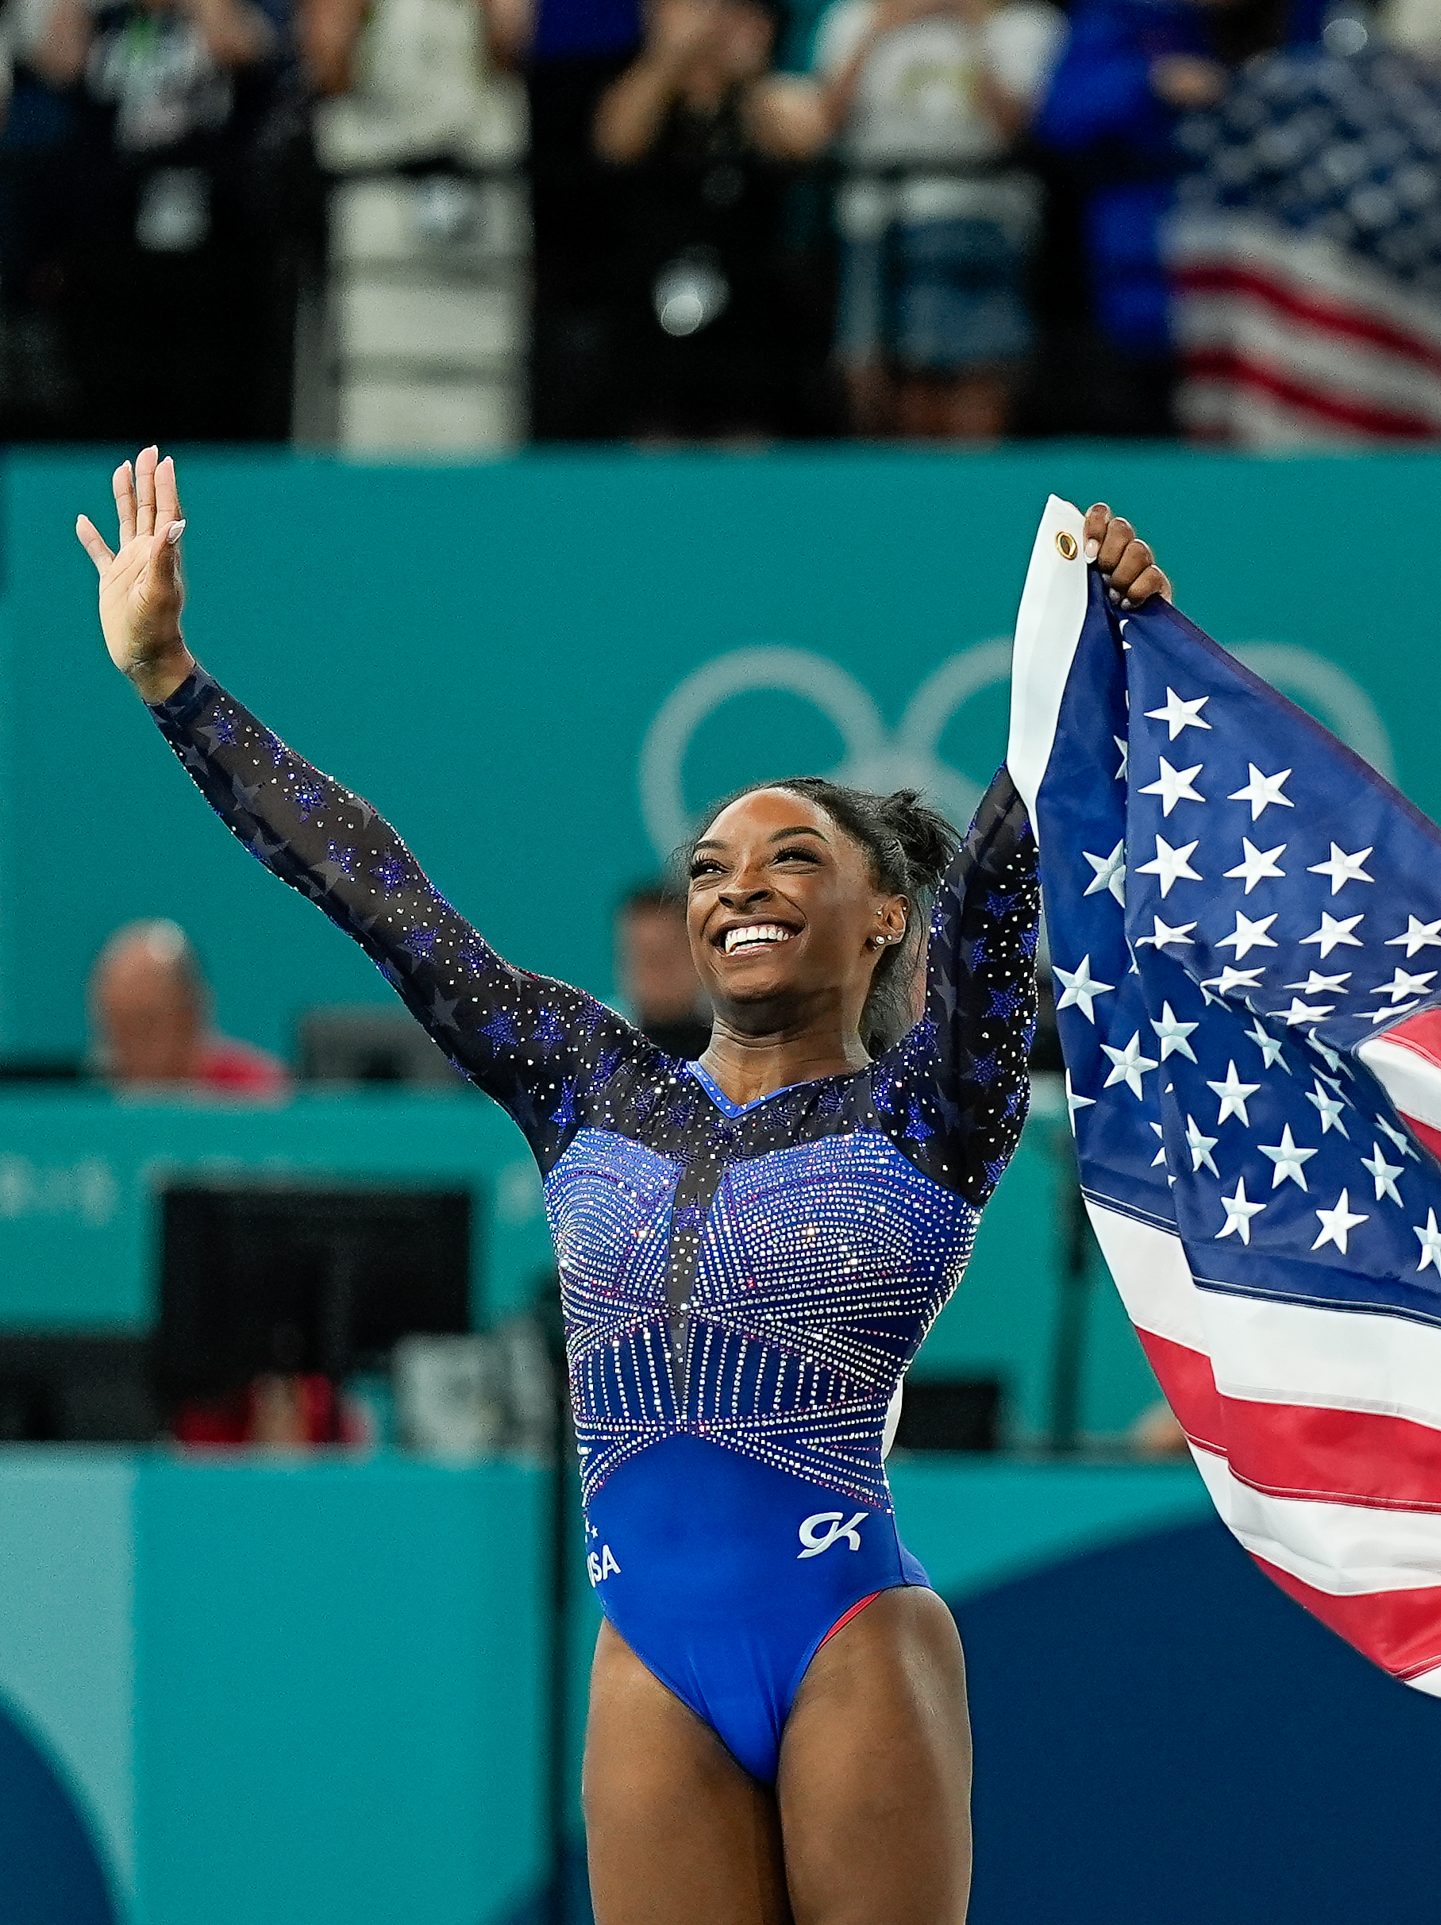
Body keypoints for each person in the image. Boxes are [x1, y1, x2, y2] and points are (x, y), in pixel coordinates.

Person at [76, 447, 1169, 1922]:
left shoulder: (932, 1107)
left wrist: (1088, 649)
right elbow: (374, 890)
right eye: (710, 867)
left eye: (793, 856)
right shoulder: (587, 1082)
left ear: (883, 917)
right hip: (646, 1651)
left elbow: (998, 887)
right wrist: (172, 686)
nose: (738, 885)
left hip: (848, 1622)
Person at [1032, 0, 1325, 436]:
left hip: (1284, 300)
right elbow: (1059, 116)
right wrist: (1149, 84)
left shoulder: (1311, 19)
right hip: (1149, 301)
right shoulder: (1120, 19)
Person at [788, 0, 1063, 440]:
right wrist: (879, 30)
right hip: (873, 223)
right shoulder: (854, 16)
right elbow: (822, 125)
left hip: (981, 220)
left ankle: (975, 492)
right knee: (875, 376)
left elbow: (1014, 126)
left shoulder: (1022, 23)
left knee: (980, 367)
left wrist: (971, 29)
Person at [594, 0, 831, 440]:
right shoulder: (646, 98)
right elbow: (615, 141)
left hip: (749, 341)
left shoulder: (766, 100)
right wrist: (675, 55)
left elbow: (807, 138)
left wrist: (745, 78)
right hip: (654, 344)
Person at [89, 917, 290, 1096]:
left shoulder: (261, 1095)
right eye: (118, 1023)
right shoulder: (91, 1100)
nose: (129, 1042)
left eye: (146, 1021)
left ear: (190, 1016)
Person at [615, 882, 711, 1058]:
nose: (658, 968)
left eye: (670, 951)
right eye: (644, 955)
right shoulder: (595, 1065)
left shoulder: (748, 1059)